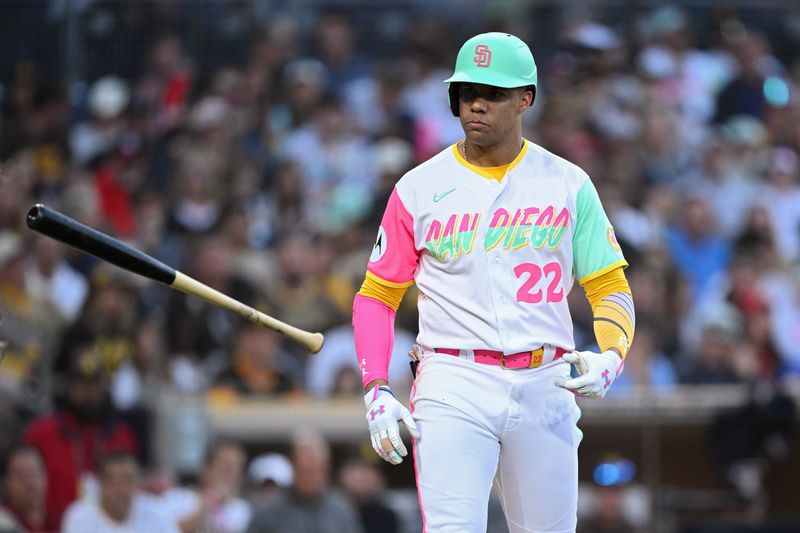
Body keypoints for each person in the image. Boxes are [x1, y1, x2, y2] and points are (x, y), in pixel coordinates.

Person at [352, 32, 636, 532]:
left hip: (547, 379)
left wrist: (611, 354)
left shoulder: (569, 183)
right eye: (466, 92)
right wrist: (376, 386)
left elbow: (608, 284)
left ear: (526, 97)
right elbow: (376, 295)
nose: (476, 104)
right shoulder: (417, 187)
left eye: (493, 93)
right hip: (454, 379)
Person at [246, 428, 363, 533]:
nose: (313, 477)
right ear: (294, 466)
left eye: (319, 469)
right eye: (307, 470)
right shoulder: (268, 511)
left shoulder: (341, 509)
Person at [61, 451, 178, 533]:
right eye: (112, 482)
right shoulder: (79, 517)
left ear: (139, 483)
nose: (121, 490)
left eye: (128, 481)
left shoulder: (157, 514)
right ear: (100, 484)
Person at [0, 445, 56, 532]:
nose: (30, 483)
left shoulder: (64, 518)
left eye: (34, 473)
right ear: (6, 482)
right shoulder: (3, 523)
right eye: (20, 476)